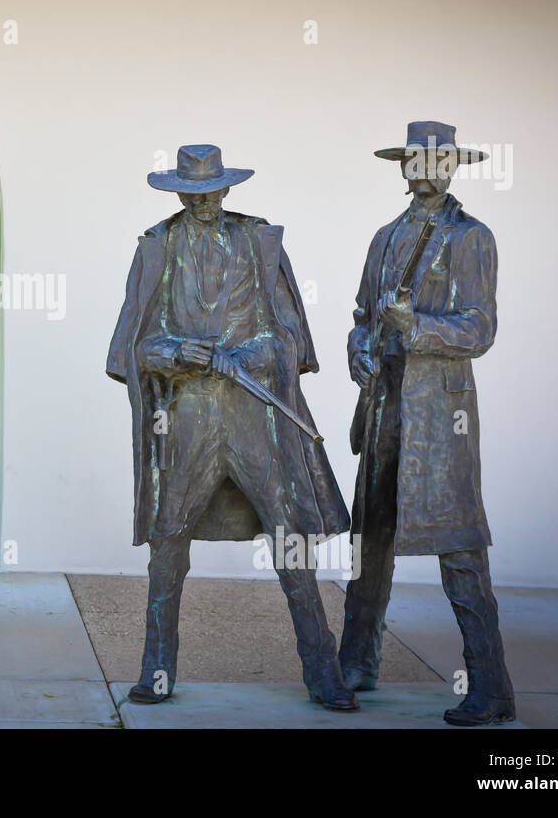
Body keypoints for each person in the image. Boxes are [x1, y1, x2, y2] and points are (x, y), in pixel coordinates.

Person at [106, 144, 356, 710]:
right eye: (192, 194)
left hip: (255, 418)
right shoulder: (155, 248)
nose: (203, 203)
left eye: (212, 192)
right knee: (169, 541)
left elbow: (293, 340)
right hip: (188, 419)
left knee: (291, 540)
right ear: (178, 193)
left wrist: (250, 352)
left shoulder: (260, 243)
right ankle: (157, 670)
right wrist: (174, 351)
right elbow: (131, 348)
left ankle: (324, 671)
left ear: (227, 189)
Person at [340, 121, 516, 726]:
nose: (426, 171)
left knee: (460, 547)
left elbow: (479, 329)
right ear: (403, 167)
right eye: (416, 161)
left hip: (441, 419)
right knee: (371, 541)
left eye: (438, 162)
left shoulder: (472, 238)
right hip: (385, 406)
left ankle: (491, 688)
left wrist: (417, 328)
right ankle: (356, 663)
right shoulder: (385, 237)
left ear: (452, 168)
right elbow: (362, 315)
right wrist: (361, 350)